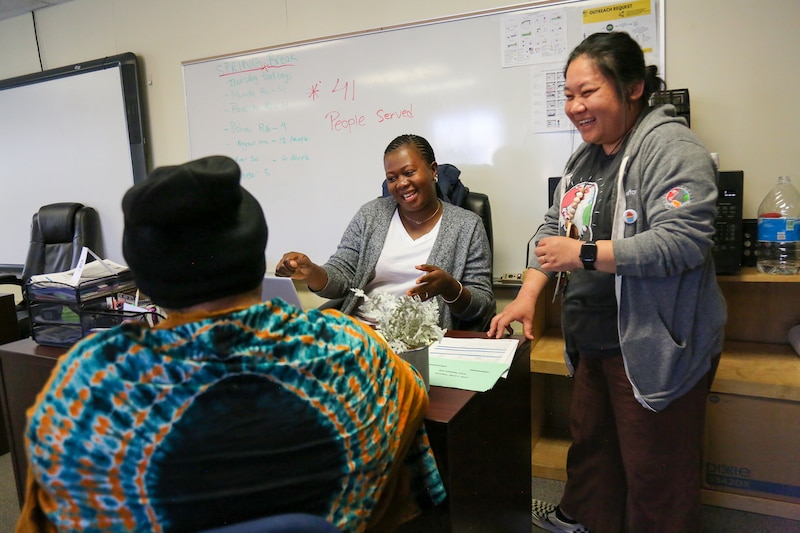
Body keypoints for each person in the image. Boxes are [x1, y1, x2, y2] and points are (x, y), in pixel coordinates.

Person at [16, 156, 446, 533]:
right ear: (256, 252)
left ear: (144, 277)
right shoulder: (351, 349)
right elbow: (409, 457)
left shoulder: (89, 385)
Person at [489, 32, 726, 533]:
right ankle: (583, 521)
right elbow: (553, 230)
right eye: (568, 95)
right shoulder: (584, 157)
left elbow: (684, 242)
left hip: (649, 340)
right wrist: (528, 296)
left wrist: (586, 254)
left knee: (656, 467)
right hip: (593, 337)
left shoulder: (672, 147)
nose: (575, 106)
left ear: (633, 87)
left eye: (587, 92)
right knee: (593, 445)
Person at [276, 133, 494, 331]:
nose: (402, 183)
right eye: (392, 178)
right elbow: (342, 276)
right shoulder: (371, 215)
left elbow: (482, 305)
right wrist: (312, 272)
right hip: (361, 334)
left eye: (409, 173)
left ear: (433, 170)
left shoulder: (467, 225)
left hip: (422, 341)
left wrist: (450, 288)